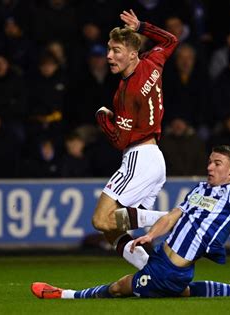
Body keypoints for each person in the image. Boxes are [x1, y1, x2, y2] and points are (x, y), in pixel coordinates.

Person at [31, 145, 230, 300]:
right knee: (108, 229)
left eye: (217, 163)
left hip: (170, 272)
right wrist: (149, 235)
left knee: (119, 288)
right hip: (161, 260)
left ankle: (64, 295)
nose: (210, 167)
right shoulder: (197, 190)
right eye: (210, 162)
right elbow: (170, 217)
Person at [92, 9, 178, 270]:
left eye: (116, 50)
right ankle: (152, 271)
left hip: (138, 157)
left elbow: (119, 140)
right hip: (153, 158)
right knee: (112, 229)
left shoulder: (127, 92)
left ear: (132, 54)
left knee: (101, 220)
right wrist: (141, 25)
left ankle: (175, 218)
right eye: (108, 49)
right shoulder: (153, 61)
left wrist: (103, 118)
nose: (109, 56)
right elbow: (170, 40)